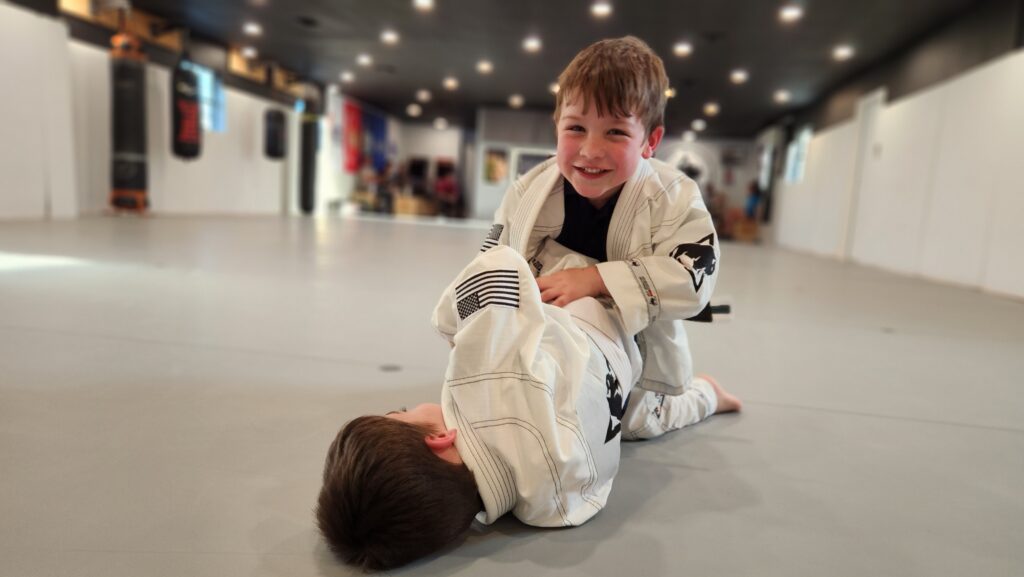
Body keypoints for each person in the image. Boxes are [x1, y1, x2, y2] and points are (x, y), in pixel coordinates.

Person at [317, 246, 741, 571]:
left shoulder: (550, 511)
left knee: (639, 422)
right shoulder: (480, 380)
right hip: (595, 310)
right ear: (439, 439)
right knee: (546, 266)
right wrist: (452, 329)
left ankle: (707, 397)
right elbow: (498, 266)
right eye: (403, 412)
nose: (411, 406)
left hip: (624, 386)